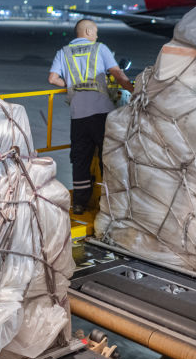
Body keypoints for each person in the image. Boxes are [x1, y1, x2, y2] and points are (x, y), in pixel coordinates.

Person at [48, 18, 134, 215]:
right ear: (87, 31)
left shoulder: (63, 52)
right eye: (95, 32)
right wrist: (135, 92)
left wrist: (70, 85)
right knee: (107, 158)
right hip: (101, 113)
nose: (96, 35)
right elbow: (118, 75)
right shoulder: (99, 48)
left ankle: (79, 203)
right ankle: (109, 203)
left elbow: (52, 79)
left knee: (80, 159)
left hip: (78, 115)